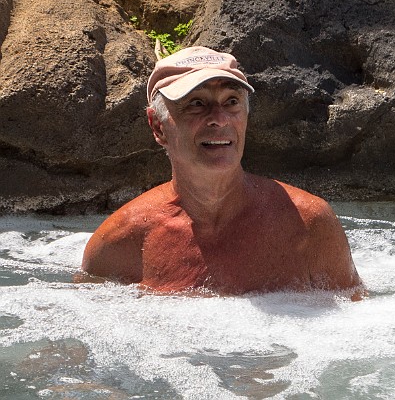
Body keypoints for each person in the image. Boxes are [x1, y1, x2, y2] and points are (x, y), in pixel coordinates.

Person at [81, 46, 362, 297]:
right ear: (158, 126)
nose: (219, 118)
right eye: (196, 104)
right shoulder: (119, 245)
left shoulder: (310, 225)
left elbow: (356, 334)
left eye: (231, 101)